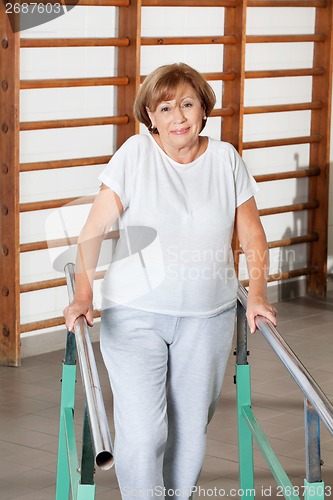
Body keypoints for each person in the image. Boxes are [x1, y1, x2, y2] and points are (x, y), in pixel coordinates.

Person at [64, 62, 277, 499]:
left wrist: (256, 293)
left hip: (208, 318)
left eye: (186, 104)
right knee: (144, 433)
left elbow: (252, 233)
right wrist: (83, 293)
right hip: (135, 317)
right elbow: (93, 229)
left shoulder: (226, 160)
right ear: (150, 116)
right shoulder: (135, 155)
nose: (177, 117)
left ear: (203, 109)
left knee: (189, 432)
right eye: (165, 108)